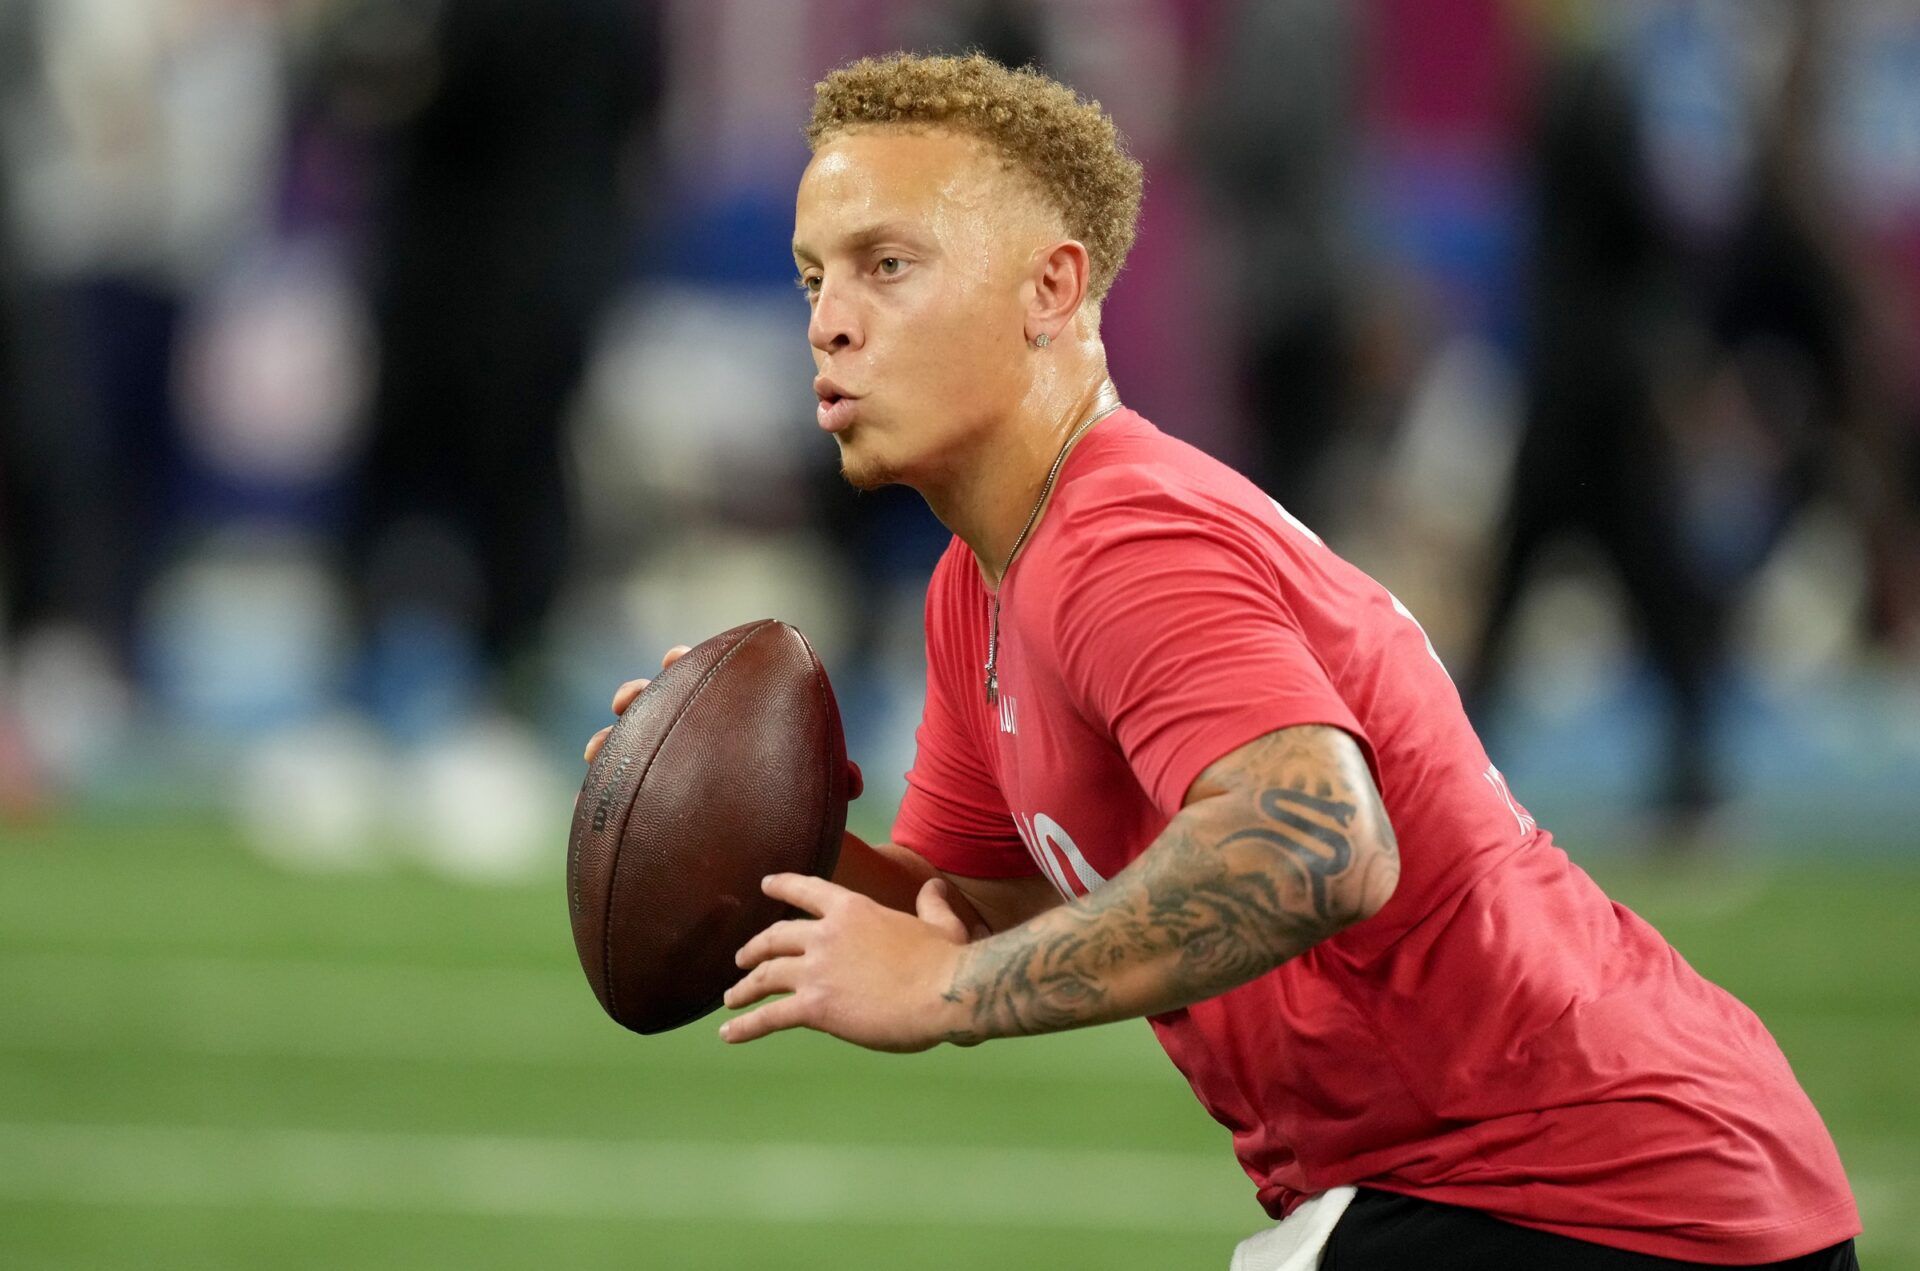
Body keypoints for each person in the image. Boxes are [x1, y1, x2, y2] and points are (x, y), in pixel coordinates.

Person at [584, 54, 1859, 1269]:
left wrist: (958, 992)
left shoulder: (1120, 534)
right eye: (814, 277)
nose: (832, 324)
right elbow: (963, 907)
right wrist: (733, 831)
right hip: (1528, 1188)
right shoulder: (978, 586)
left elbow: (1317, 842)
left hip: (1606, 1194)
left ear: (1051, 289)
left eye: (889, 265)